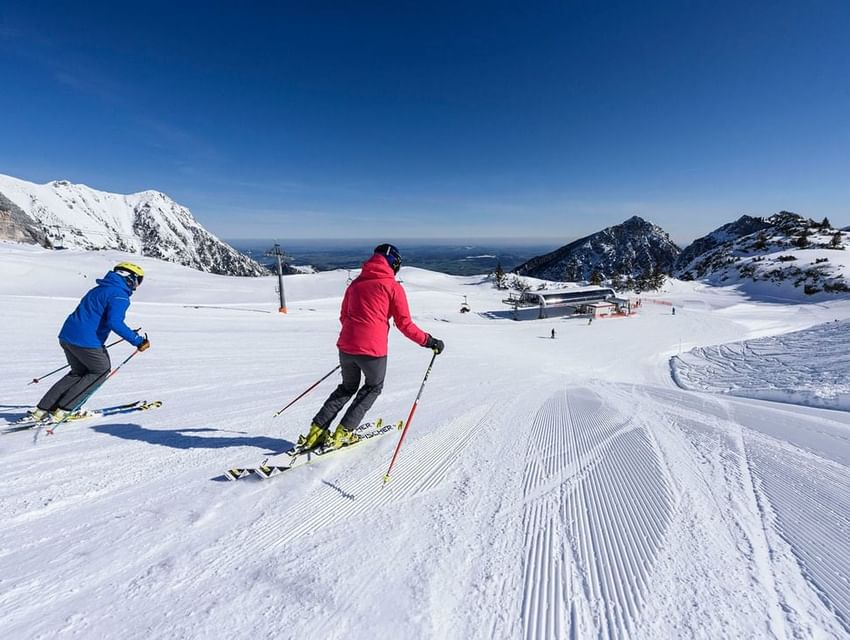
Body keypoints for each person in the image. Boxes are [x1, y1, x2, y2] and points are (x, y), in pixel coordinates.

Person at [298, 244, 444, 451]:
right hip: (373, 351)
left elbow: (343, 317)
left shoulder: (355, 284)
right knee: (373, 387)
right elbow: (404, 325)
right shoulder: (392, 287)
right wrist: (430, 341)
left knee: (347, 387)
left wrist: (354, 338)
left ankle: (315, 432)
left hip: (346, 347)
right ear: (394, 264)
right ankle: (343, 432)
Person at [26, 262, 150, 422]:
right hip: (87, 342)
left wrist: (128, 333)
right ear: (129, 278)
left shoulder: (99, 289)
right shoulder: (119, 295)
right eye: (138, 280)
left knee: (78, 374)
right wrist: (137, 341)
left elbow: (96, 316)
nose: (138, 285)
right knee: (101, 371)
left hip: (67, 336)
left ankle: (41, 410)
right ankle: (65, 410)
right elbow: (115, 322)